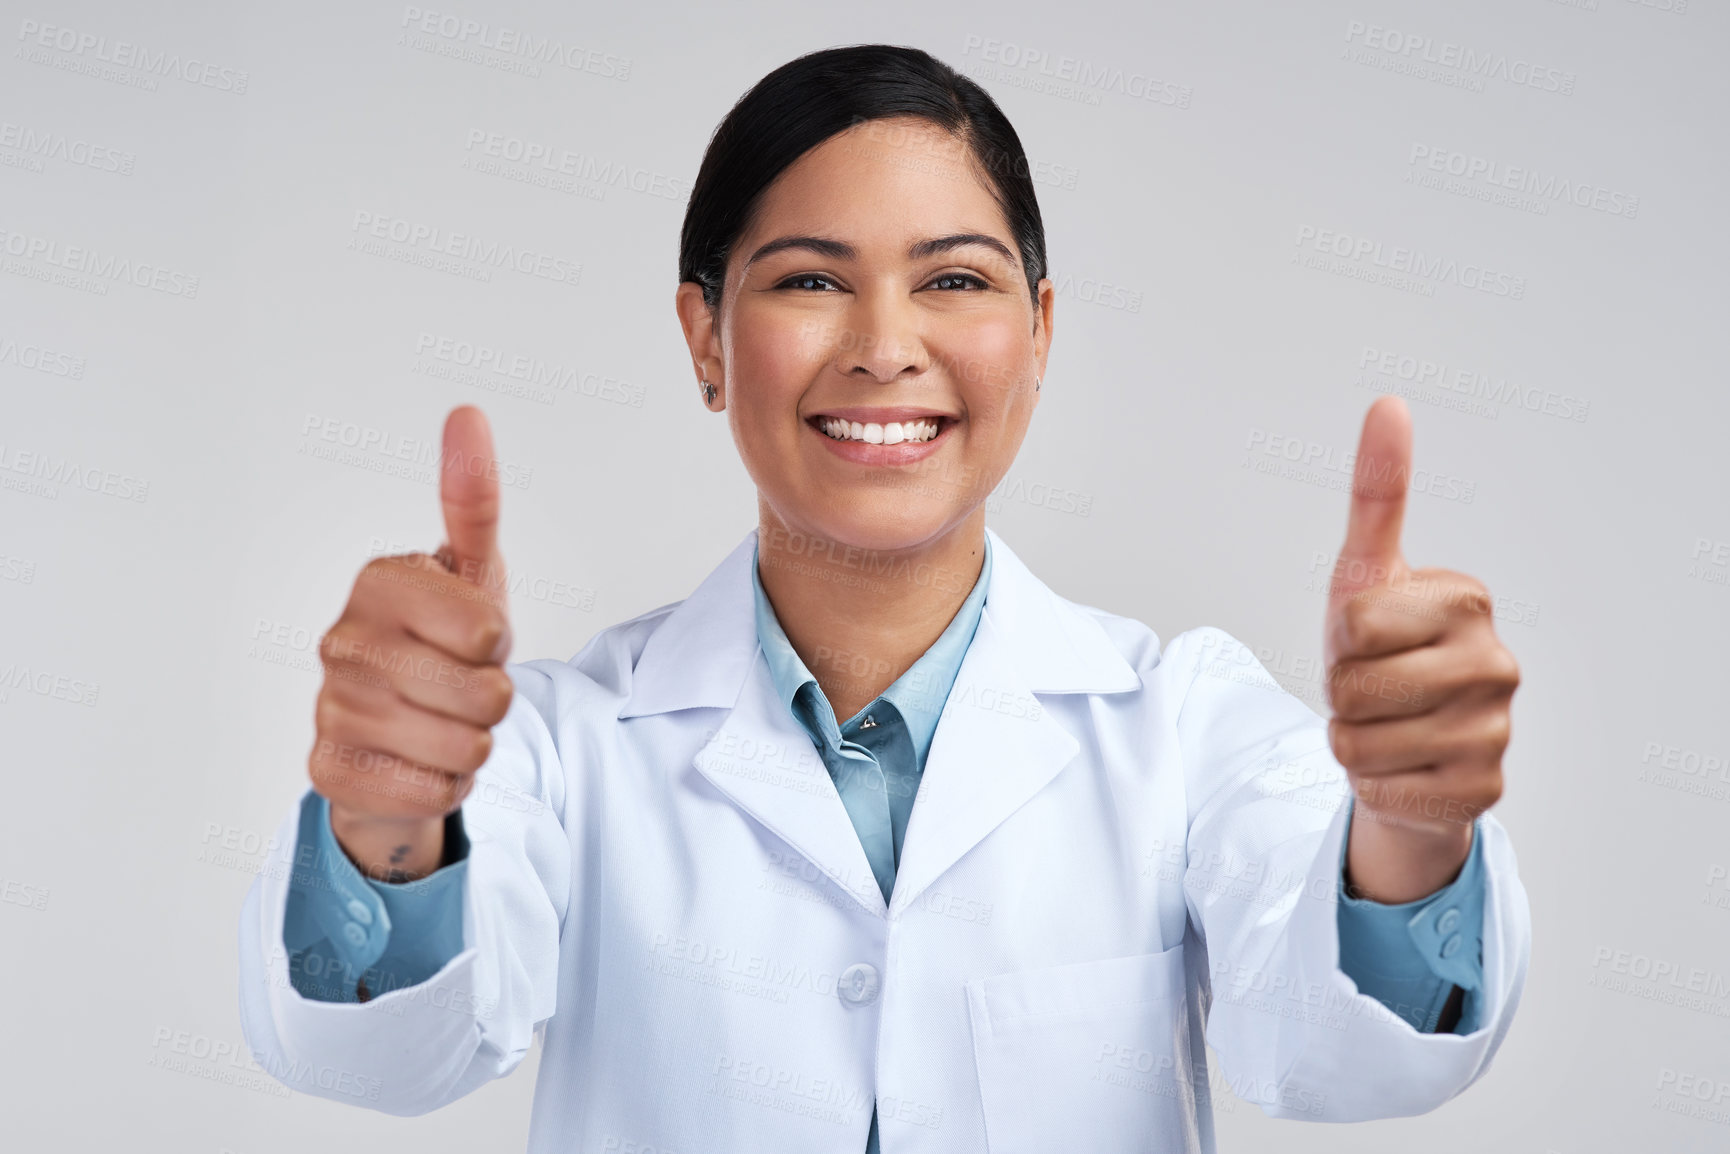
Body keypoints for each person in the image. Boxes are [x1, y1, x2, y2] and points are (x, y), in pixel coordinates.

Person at [238, 44, 1529, 1153]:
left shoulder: (1179, 724)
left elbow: (1336, 1051)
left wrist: (1409, 833)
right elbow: (377, 1054)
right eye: (809, 279)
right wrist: (388, 825)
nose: (882, 343)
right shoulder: (563, 745)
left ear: (1038, 331)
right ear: (704, 336)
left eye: (953, 279)